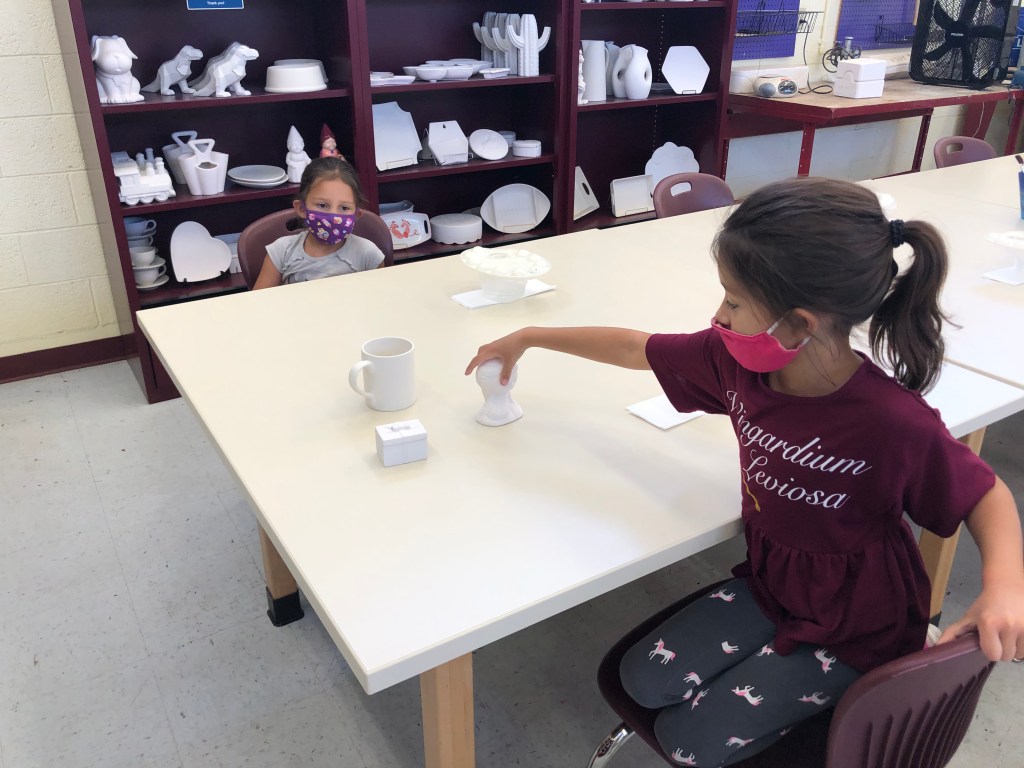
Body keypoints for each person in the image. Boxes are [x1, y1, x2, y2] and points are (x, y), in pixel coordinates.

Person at [464, 177, 1024, 766]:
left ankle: (837, 697)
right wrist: (529, 336)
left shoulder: (891, 421)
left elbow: (984, 495)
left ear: (798, 324)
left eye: (733, 301)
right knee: (640, 681)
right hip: (772, 586)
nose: (718, 315)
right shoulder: (733, 362)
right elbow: (635, 347)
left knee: (687, 741)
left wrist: (1005, 588)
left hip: (858, 624)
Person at [253, 156, 384, 289]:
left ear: (356, 215)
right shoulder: (281, 251)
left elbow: (380, 297)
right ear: (301, 209)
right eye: (322, 205)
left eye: (344, 208)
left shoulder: (368, 254)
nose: (333, 216)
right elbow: (259, 300)